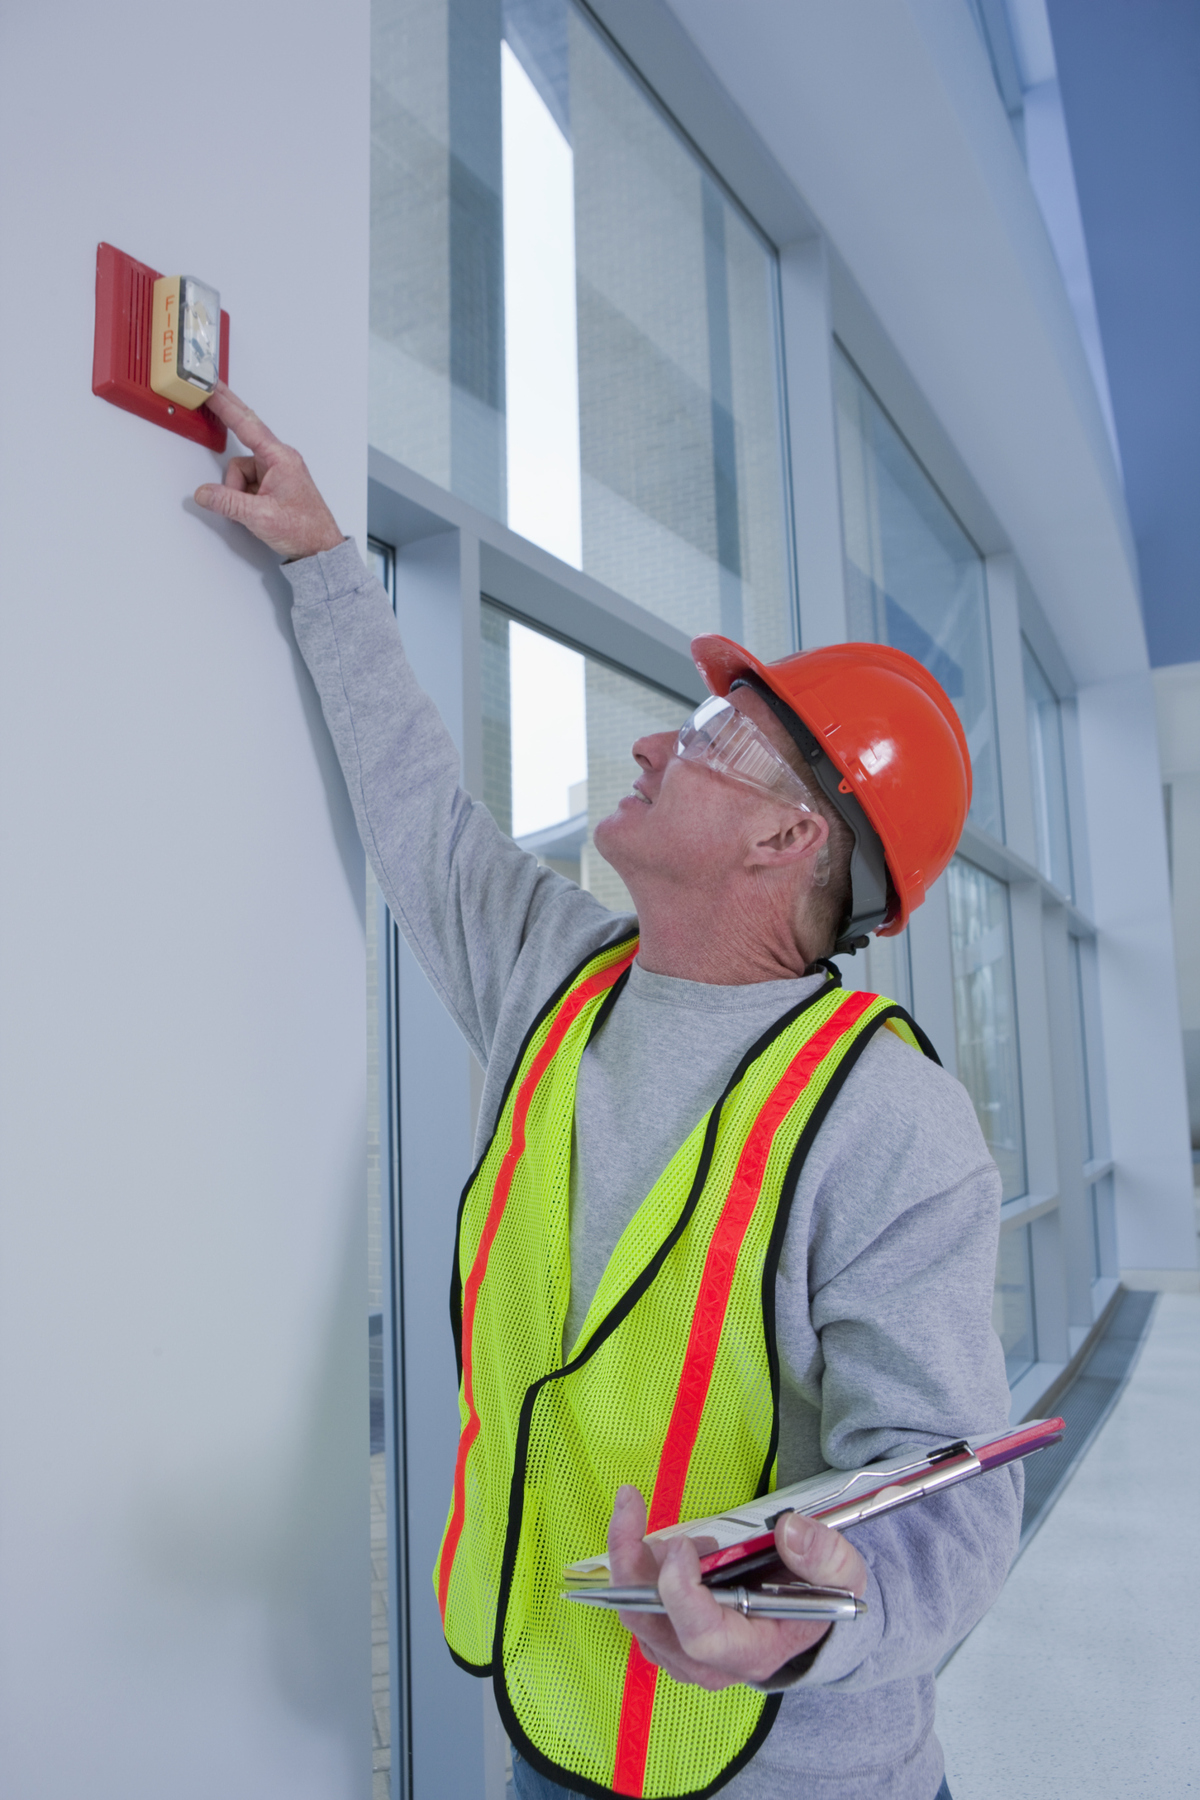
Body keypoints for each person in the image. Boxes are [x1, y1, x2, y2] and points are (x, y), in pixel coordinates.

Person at [194, 384, 1020, 1800]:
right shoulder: (562, 981)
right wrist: (326, 560)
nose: (655, 743)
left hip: (793, 1775)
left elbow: (951, 1499)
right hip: (561, 1725)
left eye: (711, 735)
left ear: (787, 836)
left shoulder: (885, 1121)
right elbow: (421, 817)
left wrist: (805, 1613)